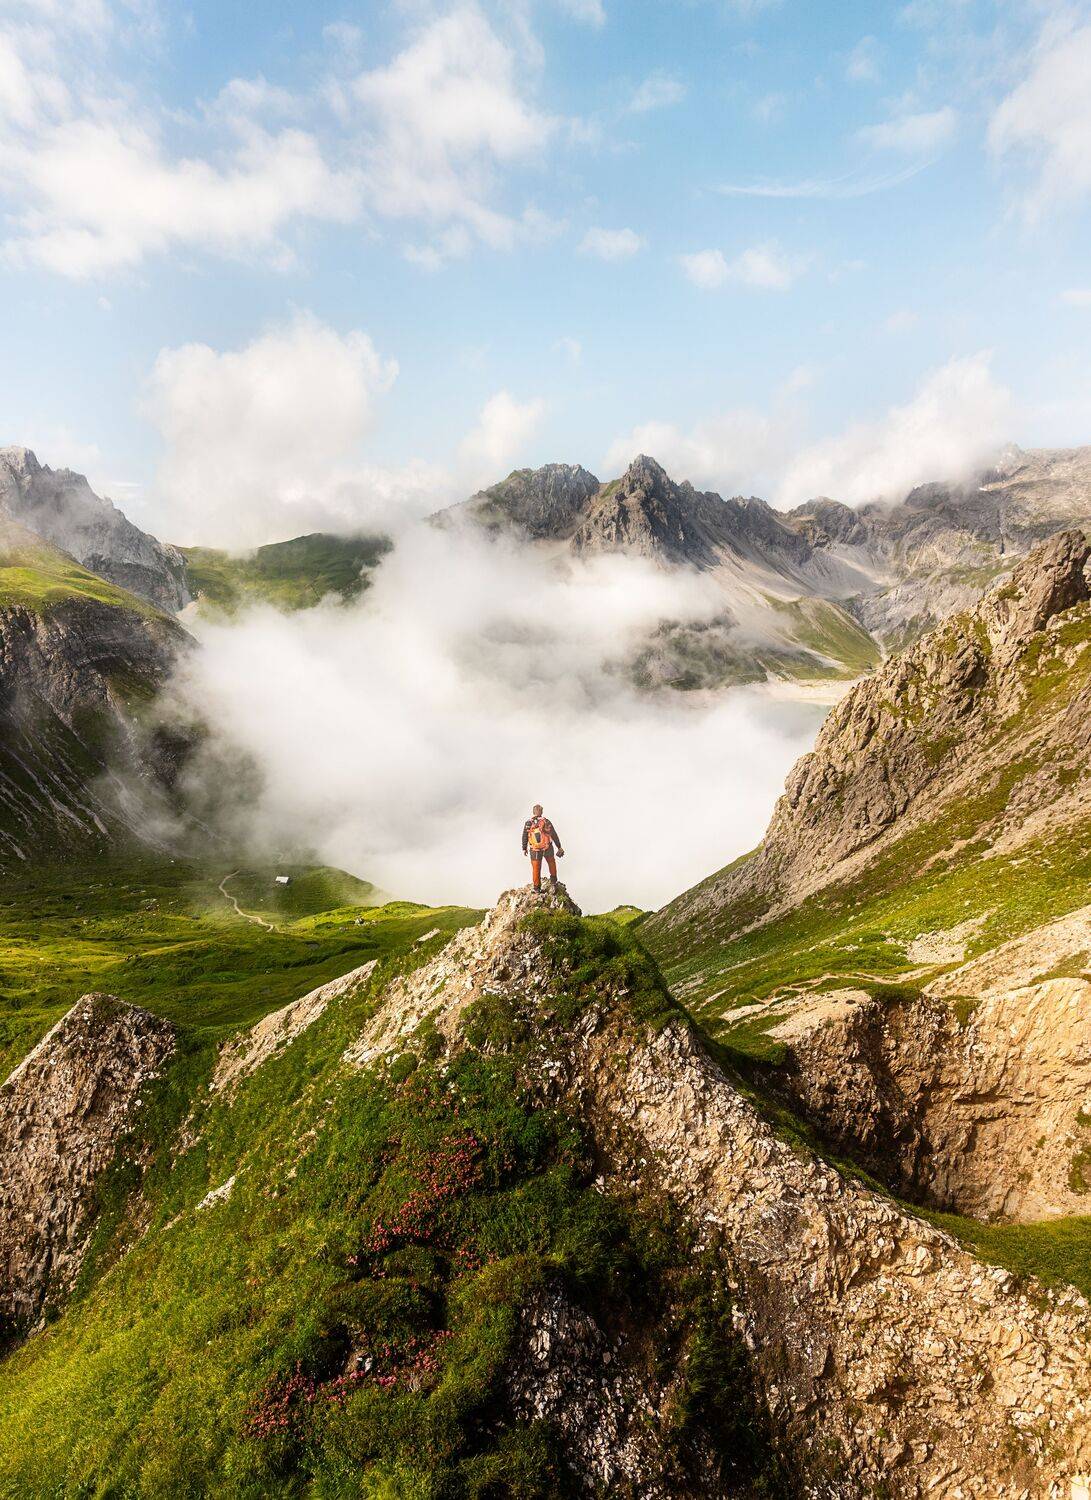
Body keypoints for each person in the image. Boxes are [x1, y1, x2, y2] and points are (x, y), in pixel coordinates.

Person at [521, 804, 565, 891]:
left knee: (536, 868)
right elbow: (554, 834)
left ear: (533, 812)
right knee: (551, 863)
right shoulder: (546, 821)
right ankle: (553, 881)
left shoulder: (528, 823)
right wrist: (559, 846)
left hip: (534, 849)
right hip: (547, 847)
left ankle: (537, 888)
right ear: (541, 812)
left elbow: (525, 835)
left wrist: (524, 848)